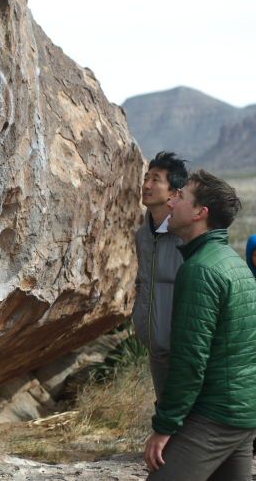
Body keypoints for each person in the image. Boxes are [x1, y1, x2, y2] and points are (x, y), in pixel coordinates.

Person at [143, 170, 256, 480]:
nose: (171, 199)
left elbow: (190, 361)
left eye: (180, 196)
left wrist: (164, 427)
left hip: (213, 418)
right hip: (243, 413)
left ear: (199, 213)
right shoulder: (232, 262)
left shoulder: (200, 270)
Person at [132, 151, 188, 402]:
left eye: (155, 180)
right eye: (146, 178)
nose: (146, 185)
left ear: (174, 193)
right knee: (165, 412)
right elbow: (143, 283)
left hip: (184, 350)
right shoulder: (142, 235)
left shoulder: (187, 236)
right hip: (155, 347)